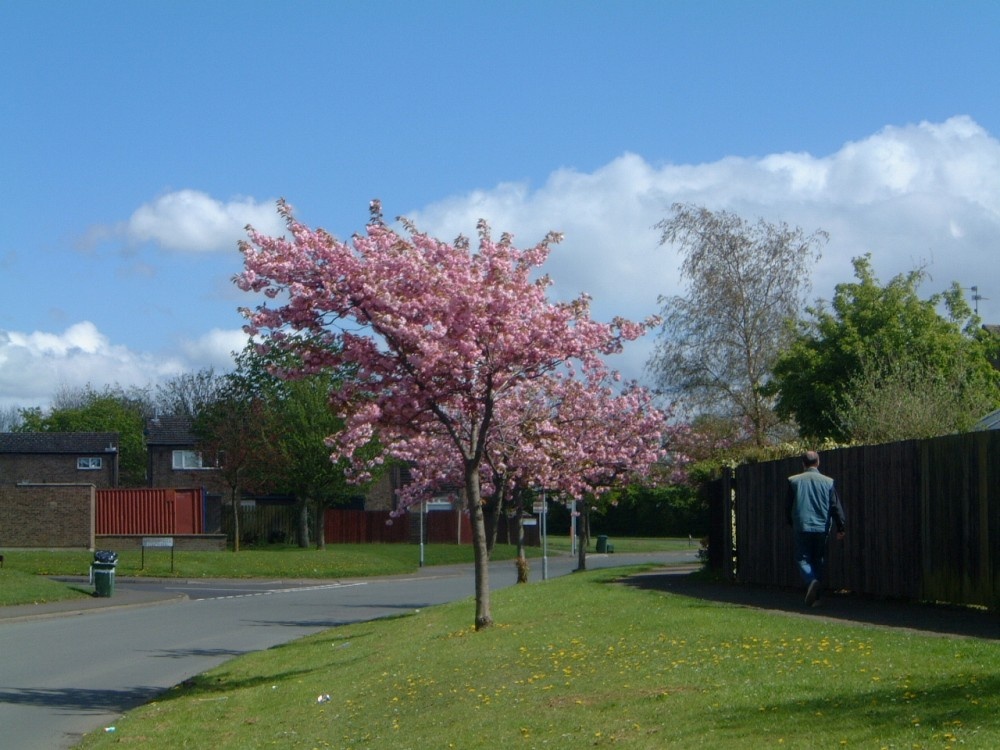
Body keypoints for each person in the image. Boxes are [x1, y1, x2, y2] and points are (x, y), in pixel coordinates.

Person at [785, 450, 846, 606]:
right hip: (821, 526)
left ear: (803, 464)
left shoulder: (794, 481)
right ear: (818, 462)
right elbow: (835, 506)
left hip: (802, 525)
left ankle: (811, 581)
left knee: (802, 559)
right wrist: (841, 527)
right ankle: (816, 598)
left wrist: (791, 522)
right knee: (818, 559)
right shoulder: (828, 482)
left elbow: (788, 506)